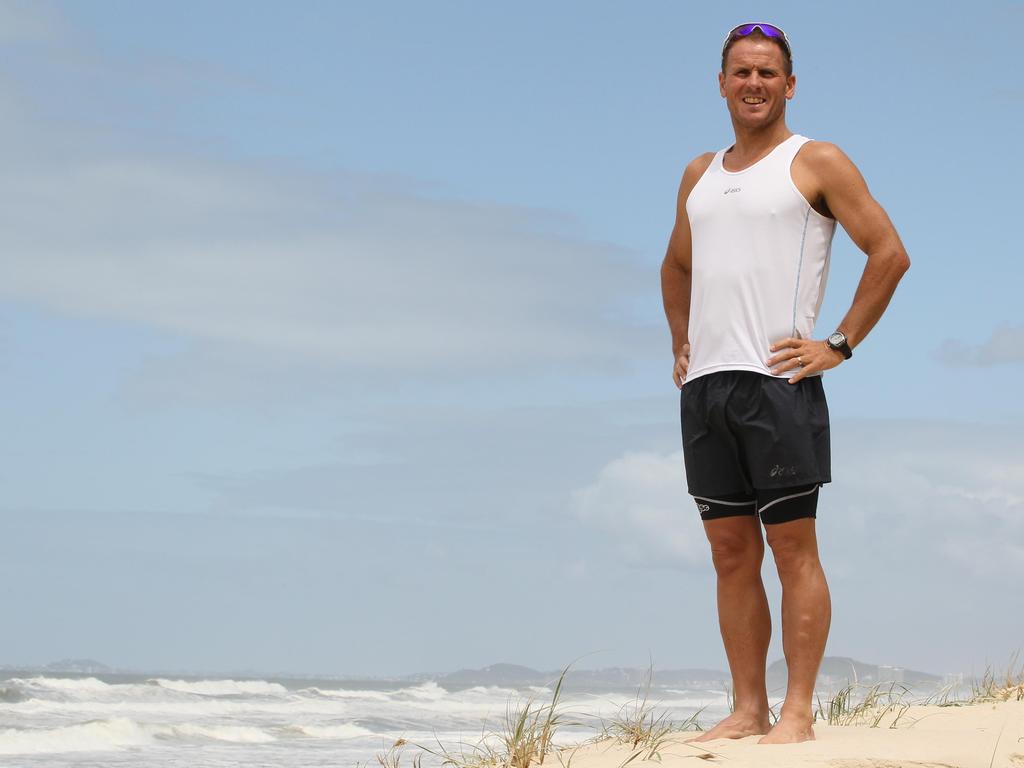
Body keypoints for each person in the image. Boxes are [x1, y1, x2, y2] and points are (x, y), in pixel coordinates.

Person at [660, 22, 910, 745]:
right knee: (730, 553)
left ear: (790, 85)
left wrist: (839, 344)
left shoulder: (817, 160)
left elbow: (889, 253)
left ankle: (796, 712)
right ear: (722, 83)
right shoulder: (698, 174)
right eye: (742, 72)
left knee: (793, 547)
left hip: (778, 384)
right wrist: (681, 339)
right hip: (706, 390)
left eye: (768, 73)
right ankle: (748, 709)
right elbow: (676, 264)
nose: (755, 84)